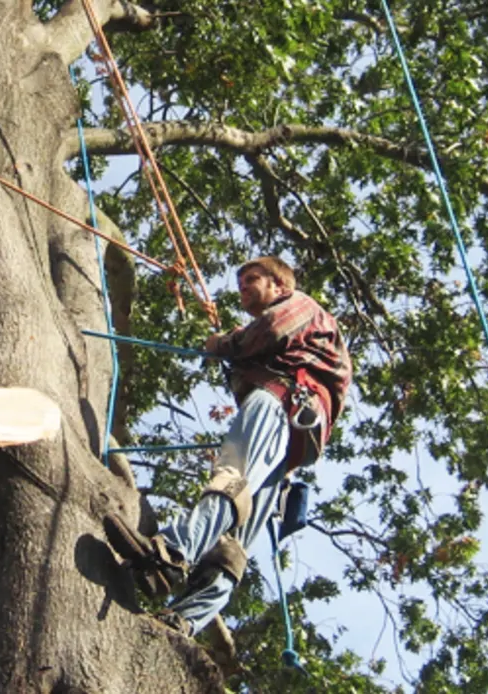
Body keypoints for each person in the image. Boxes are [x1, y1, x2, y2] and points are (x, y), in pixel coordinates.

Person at [105, 256, 352, 657]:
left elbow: (271, 330)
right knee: (236, 543)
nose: (243, 288)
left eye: (252, 279)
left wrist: (222, 344)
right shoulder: (299, 334)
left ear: (280, 286)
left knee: (230, 479)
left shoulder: (302, 305)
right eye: (240, 283)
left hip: (279, 402)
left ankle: (171, 553)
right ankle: (184, 620)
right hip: (292, 438)